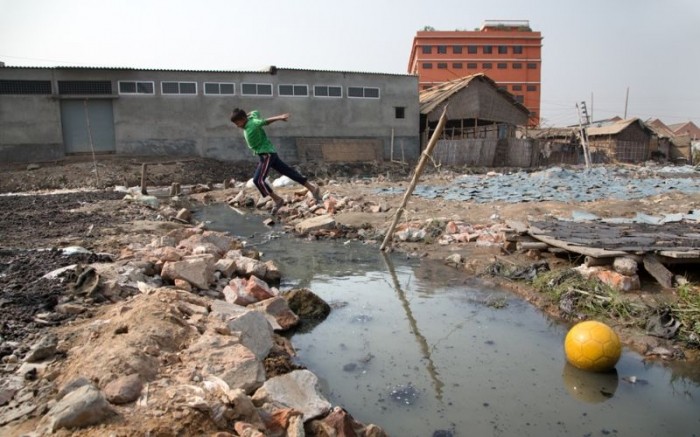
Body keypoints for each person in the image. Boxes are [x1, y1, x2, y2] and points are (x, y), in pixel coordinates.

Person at [230, 108, 322, 214]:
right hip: (268, 152)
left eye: (238, 122)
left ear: (243, 119)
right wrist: (246, 115)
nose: (237, 125)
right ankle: (312, 188)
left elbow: (265, 121)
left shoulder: (253, 123)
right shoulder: (250, 119)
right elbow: (256, 112)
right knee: (288, 172)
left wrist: (279, 118)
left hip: (266, 155)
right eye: (235, 123)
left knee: (258, 180)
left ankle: (277, 200)